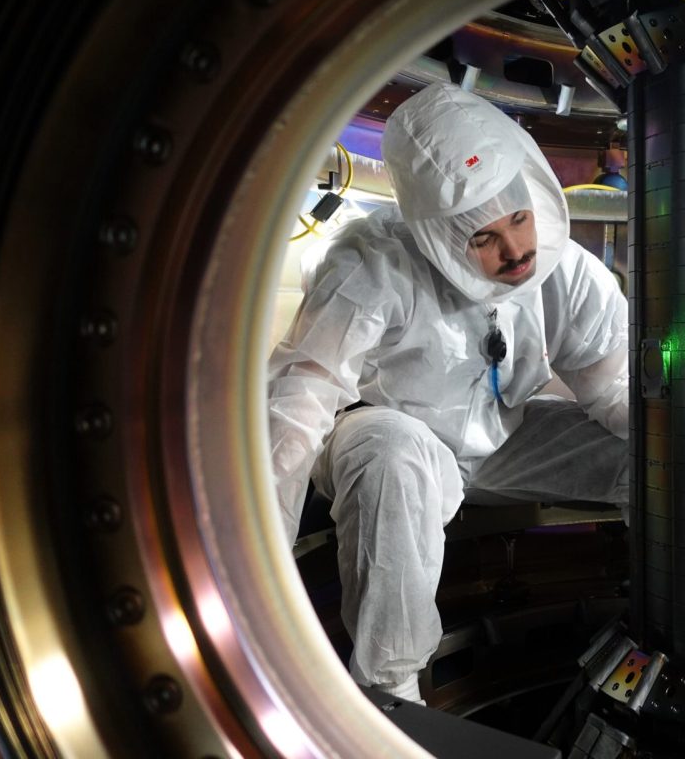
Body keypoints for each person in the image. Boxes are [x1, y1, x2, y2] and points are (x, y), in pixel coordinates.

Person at [267, 82, 629, 703]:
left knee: (660, 456)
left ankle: (683, 624)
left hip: (508, 437)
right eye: (482, 238)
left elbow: (613, 391)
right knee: (391, 453)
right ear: (433, 233)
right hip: (391, 434)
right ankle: (393, 693)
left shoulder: (564, 267)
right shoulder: (370, 264)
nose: (515, 250)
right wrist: (256, 561)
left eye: (518, 218)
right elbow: (302, 400)